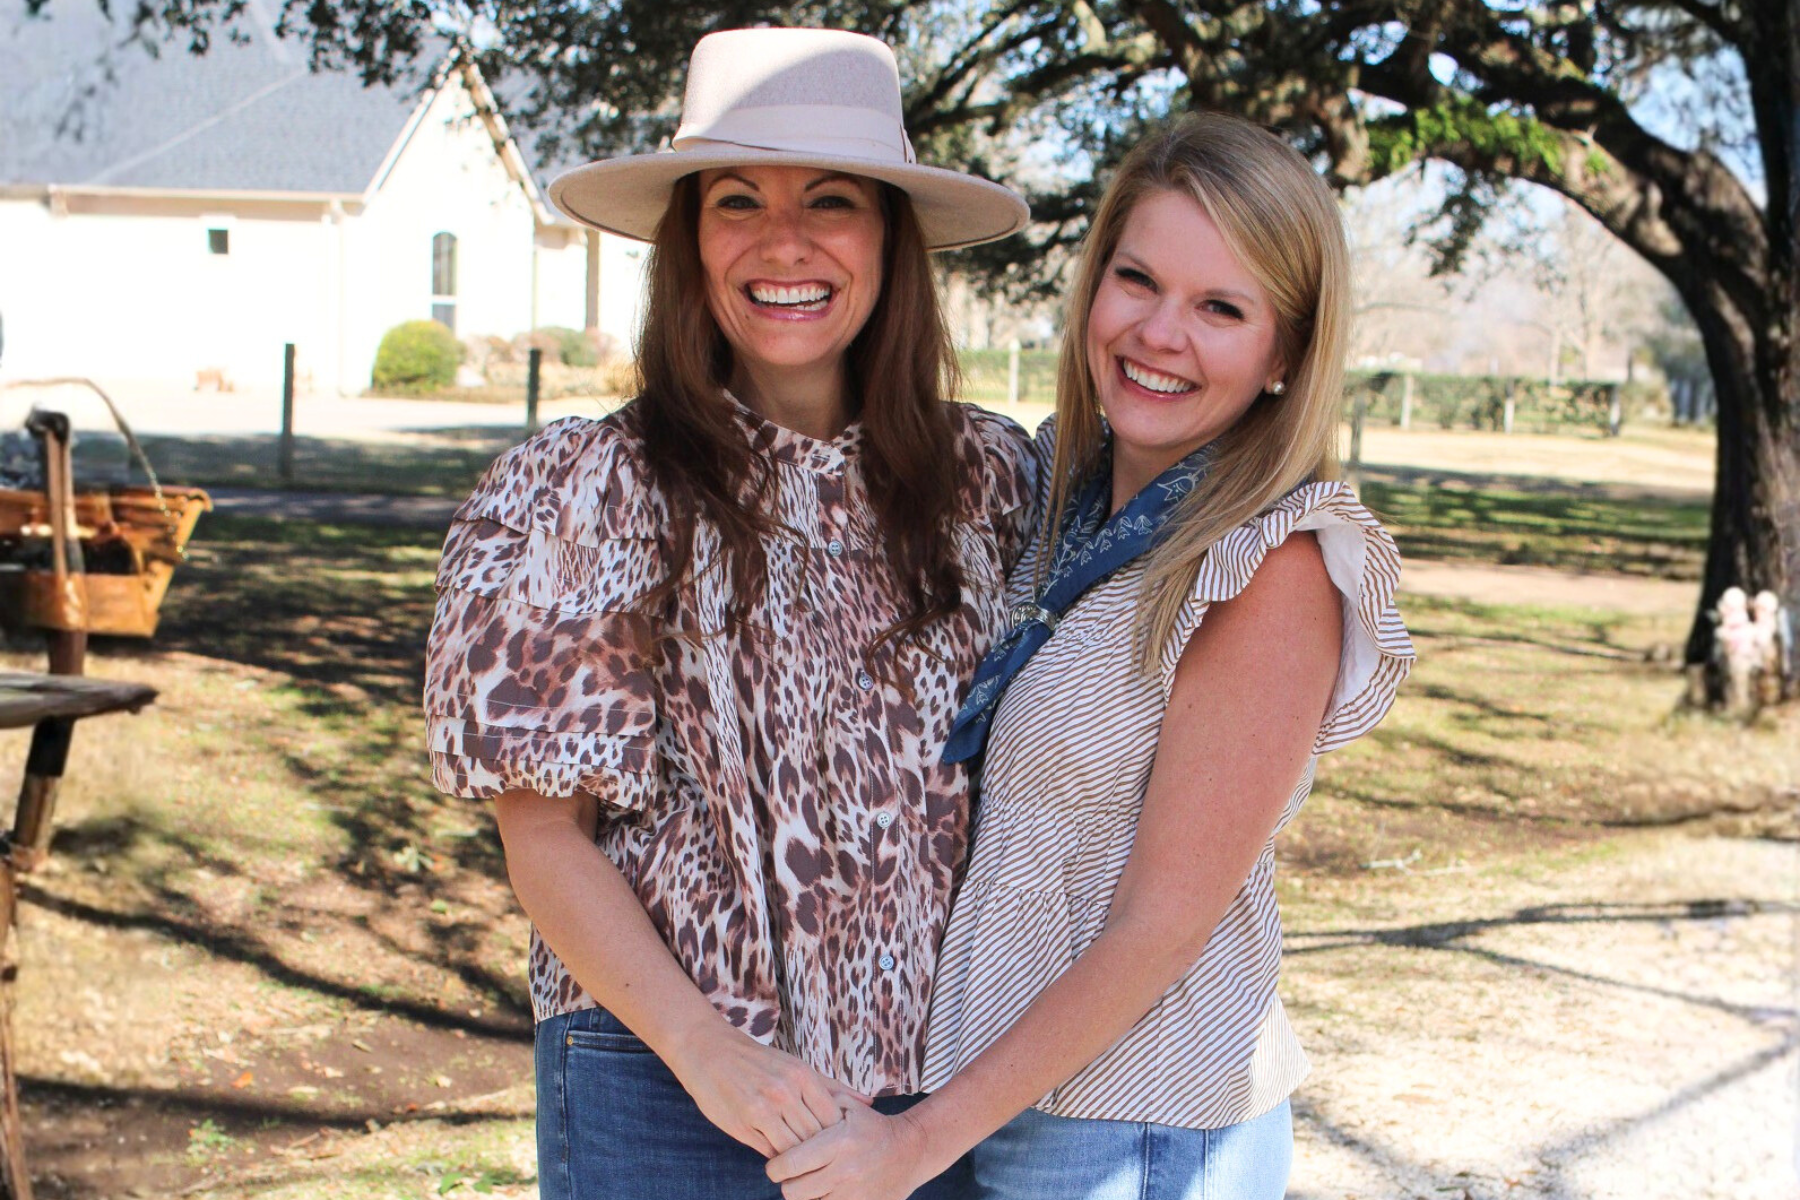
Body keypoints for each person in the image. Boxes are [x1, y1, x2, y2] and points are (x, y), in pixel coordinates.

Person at [422, 28, 1037, 1200]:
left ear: (890, 240)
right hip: (668, 1076)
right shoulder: (590, 490)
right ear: (690, 240)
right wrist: (708, 1053)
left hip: (934, 1089)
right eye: (738, 200)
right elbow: (542, 834)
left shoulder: (992, 482)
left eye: (833, 201)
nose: (784, 242)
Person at [765, 112, 1416, 1200]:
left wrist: (914, 1147)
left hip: (1140, 1129)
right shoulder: (1061, 511)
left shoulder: (1271, 564)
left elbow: (1158, 929)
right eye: (1138, 280)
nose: (1162, 333)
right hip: (1017, 1104)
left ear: (1285, 353)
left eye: (1221, 308)